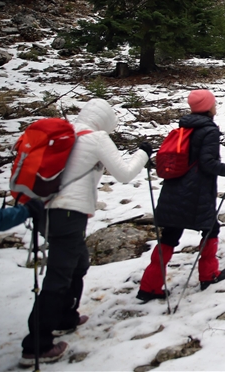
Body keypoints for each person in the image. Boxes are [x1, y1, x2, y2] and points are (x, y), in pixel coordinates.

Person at [20, 98, 150, 366]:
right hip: (69, 214)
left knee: (79, 263)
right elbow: (124, 174)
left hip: (44, 210)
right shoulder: (97, 138)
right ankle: (37, 344)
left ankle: (65, 316)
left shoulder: (64, 134)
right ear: (106, 121)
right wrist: (143, 153)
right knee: (59, 275)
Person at [138, 90, 225, 303]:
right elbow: (207, 163)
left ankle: (149, 286)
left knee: (169, 236)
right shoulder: (209, 131)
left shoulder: (184, 127)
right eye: (213, 103)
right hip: (197, 192)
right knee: (211, 229)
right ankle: (208, 275)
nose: (215, 106)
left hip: (174, 188)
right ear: (208, 107)